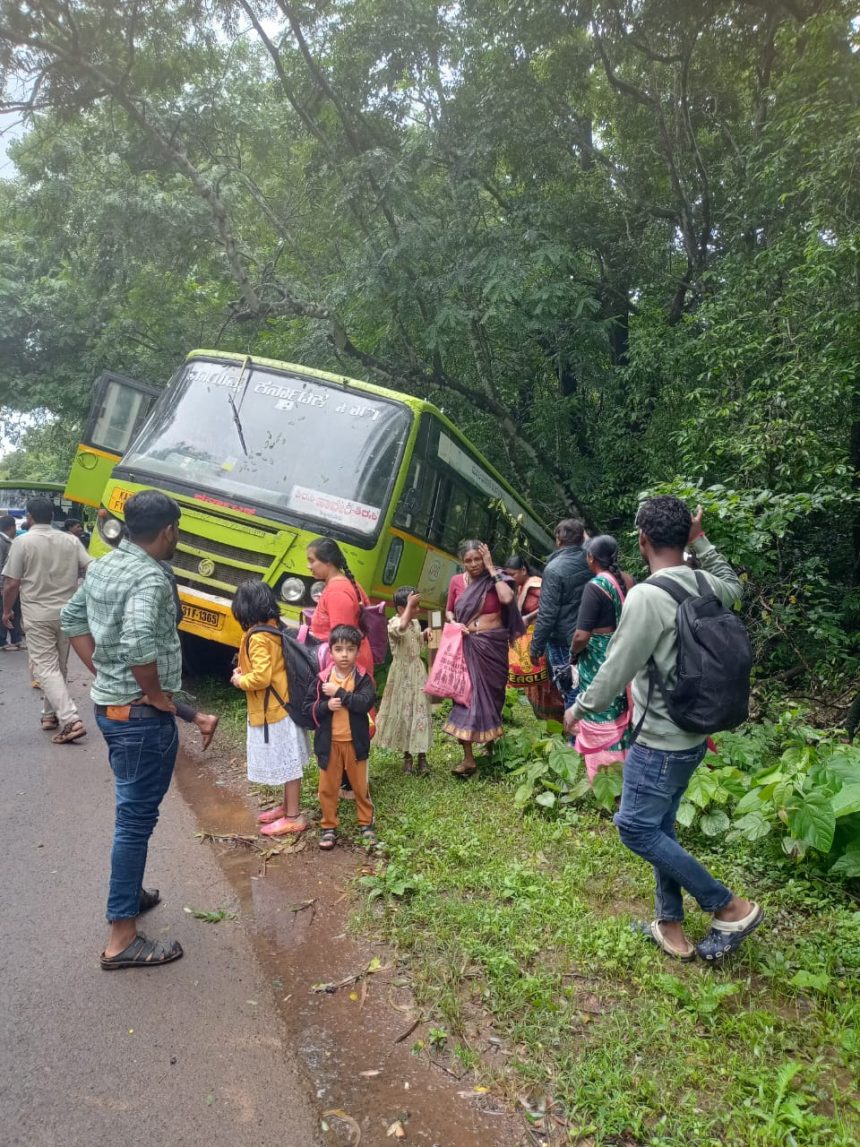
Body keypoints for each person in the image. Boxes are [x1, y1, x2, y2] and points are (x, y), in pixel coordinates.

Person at [565, 497, 761, 963]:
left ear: (643, 540)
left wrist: (580, 709)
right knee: (662, 827)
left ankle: (729, 906)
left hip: (659, 741)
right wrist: (702, 539)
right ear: (683, 537)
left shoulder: (648, 597)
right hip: (694, 736)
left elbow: (616, 668)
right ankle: (668, 922)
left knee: (634, 827)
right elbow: (735, 583)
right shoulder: (706, 583)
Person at [61, 490, 191, 969]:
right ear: (168, 530)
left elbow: (72, 618)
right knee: (134, 823)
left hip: (110, 711)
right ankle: (121, 938)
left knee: (133, 814)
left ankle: (130, 895)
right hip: (140, 719)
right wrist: (156, 696)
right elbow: (139, 640)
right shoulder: (149, 579)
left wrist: (103, 674)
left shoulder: (106, 564)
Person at [2, 496, 92, 743]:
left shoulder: (22, 542)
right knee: (58, 667)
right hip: (67, 614)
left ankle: (71, 719)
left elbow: (11, 583)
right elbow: (90, 567)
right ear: (52, 516)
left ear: (29, 517)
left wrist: (6, 610)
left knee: (45, 667)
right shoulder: (71, 540)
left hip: (38, 614)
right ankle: (49, 715)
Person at [230, 580, 311, 837]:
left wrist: (240, 680)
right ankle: (287, 807)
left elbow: (262, 678)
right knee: (289, 763)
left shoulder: (257, 637)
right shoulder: (273, 629)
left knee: (289, 764)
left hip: (275, 712)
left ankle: (293, 816)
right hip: (284, 706)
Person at [444, 540, 524, 778]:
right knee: (465, 696)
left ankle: (490, 746)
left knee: (493, 694)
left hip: (492, 647)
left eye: (477, 559)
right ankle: (468, 759)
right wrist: (454, 622)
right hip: (467, 645)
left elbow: (507, 598)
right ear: (462, 562)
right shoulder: (456, 582)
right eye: (468, 560)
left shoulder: (496, 578)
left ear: (485, 558)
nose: (473, 564)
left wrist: (491, 569)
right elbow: (448, 609)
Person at [303, 623, 376, 851]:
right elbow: (308, 707)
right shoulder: (322, 679)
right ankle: (328, 826)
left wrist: (340, 693)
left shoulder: (363, 678)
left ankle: (366, 823)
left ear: (357, 651)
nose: (344, 655)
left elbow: (364, 703)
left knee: (359, 786)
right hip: (329, 743)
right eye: (339, 649)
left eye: (350, 649)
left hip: (355, 742)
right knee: (328, 786)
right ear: (331, 651)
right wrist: (326, 706)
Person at [569, 536, 635, 781]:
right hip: (625, 655)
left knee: (599, 709)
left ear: (590, 558)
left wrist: (573, 655)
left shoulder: (595, 586)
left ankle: (602, 774)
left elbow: (581, 635)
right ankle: (625, 768)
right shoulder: (628, 581)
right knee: (621, 709)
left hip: (599, 659)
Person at [530, 518, 591, 709]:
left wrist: (536, 646)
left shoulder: (554, 569)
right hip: (591, 636)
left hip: (564, 642)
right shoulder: (592, 560)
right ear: (582, 538)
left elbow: (548, 613)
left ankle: (574, 737)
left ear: (558, 540)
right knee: (588, 688)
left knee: (570, 690)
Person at [375, 586, 432, 775]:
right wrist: (409, 606)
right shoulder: (393, 622)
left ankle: (422, 757)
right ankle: (407, 757)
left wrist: (424, 635)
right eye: (414, 606)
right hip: (401, 675)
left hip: (417, 672)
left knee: (420, 711)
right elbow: (400, 630)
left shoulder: (415, 624)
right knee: (405, 713)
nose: (417, 610)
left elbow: (418, 646)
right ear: (401, 608)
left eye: (417, 606)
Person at [504, 554, 561, 721]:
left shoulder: (535, 585)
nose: (512, 578)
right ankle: (547, 724)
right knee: (535, 683)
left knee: (547, 681)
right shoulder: (521, 587)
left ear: (523, 570)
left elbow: (549, 606)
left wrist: (529, 618)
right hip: (529, 638)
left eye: (513, 574)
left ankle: (559, 723)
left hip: (542, 637)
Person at [307, 537, 373, 675]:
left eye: (312, 561)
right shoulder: (343, 583)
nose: (309, 566)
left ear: (328, 561)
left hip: (345, 673)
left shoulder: (337, 591)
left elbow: (343, 642)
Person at [0, 514, 24, 651]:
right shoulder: (2, 542)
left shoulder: (10, 542)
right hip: (5, 584)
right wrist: (1, 587)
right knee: (4, 612)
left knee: (15, 612)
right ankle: (2, 641)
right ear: (12, 527)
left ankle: (16, 639)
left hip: (13, 584)